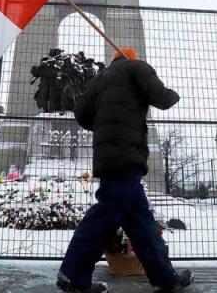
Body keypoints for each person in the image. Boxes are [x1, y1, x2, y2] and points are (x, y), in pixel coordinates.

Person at [56, 48, 194, 293]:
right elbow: (161, 98)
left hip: (107, 156)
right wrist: (174, 95)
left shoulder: (100, 78)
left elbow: (81, 115)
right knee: (107, 213)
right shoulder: (136, 67)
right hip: (127, 154)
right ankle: (72, 274)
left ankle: (166, 279)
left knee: (140, 222)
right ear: (132, 56)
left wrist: (103, 123)